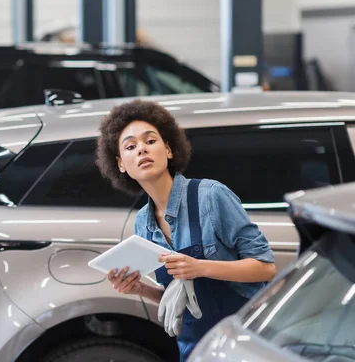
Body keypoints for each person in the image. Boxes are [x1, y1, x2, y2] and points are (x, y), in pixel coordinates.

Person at [95, 99, 276, 361]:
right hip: (196, 348)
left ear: (168, 149)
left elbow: (265, 267)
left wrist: (201, 267)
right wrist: (140, 290)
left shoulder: (211, 196)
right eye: (131, 147)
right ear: (121, 164)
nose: (142, 150)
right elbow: (179, 297)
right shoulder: (143, 223)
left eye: (150, 141)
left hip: (245, 341)